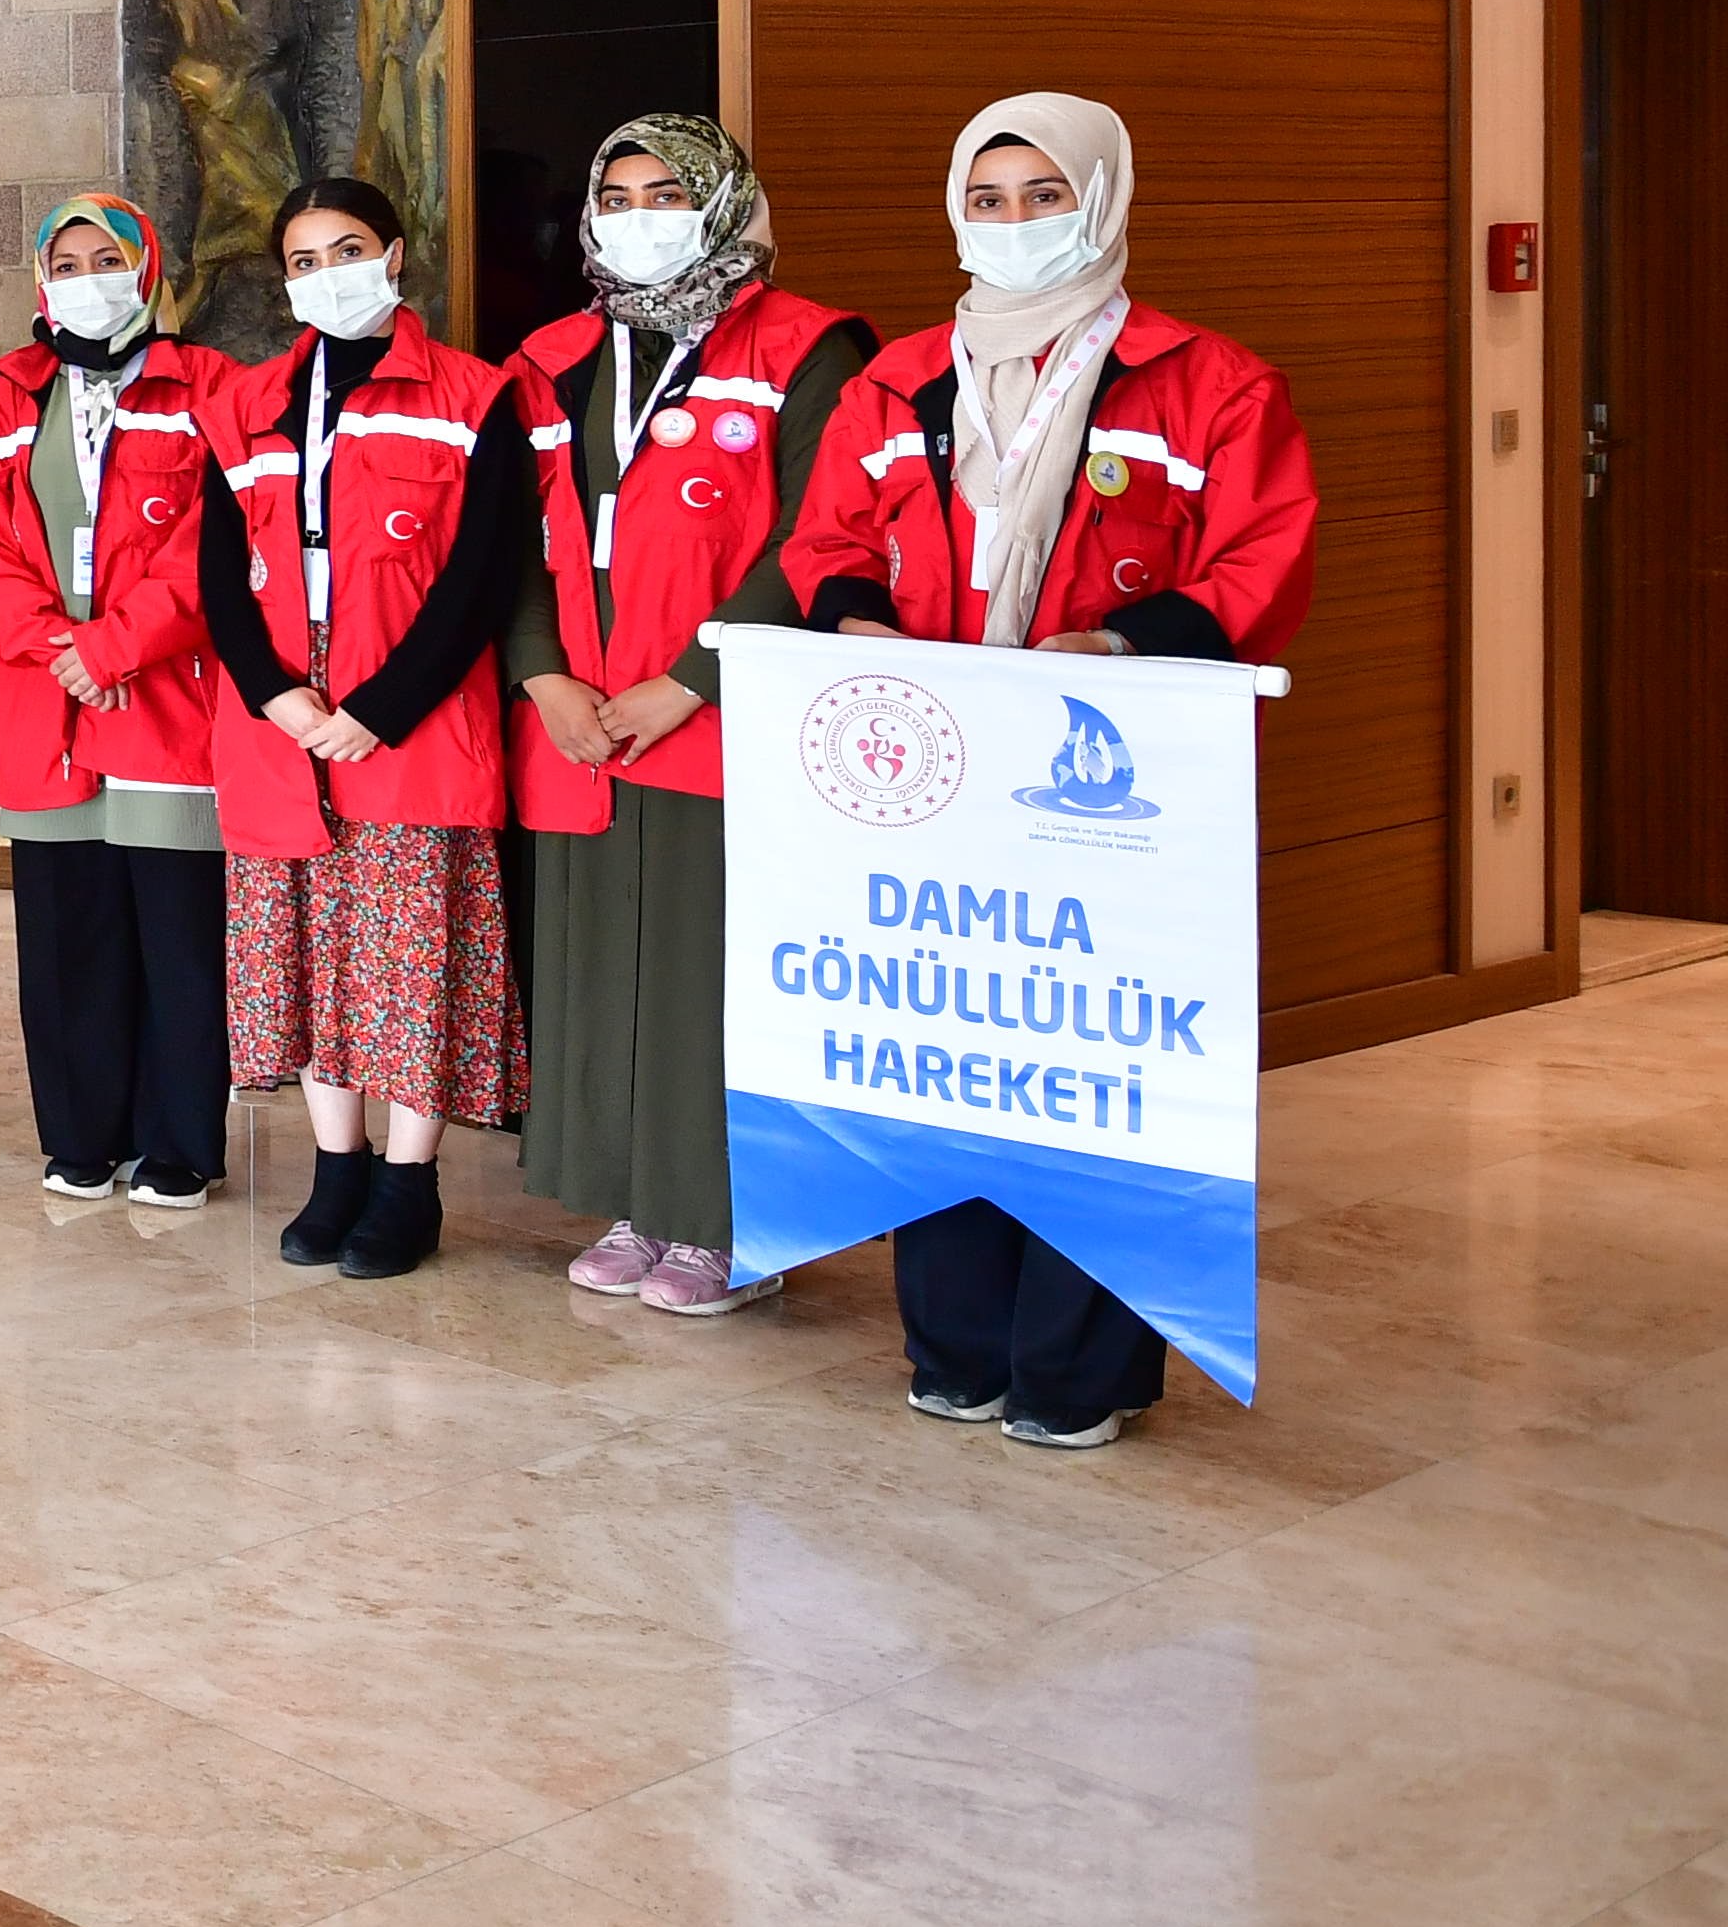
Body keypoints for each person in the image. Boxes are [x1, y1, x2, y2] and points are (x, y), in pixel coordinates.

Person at [793, 93, 1317, 1450]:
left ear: (1102, 200)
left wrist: (1124, 640)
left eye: (1044, 196)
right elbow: (828, 537)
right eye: (989, 198)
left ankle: (1077, 1371)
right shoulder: (896, 378)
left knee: (1095, 1065)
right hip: (938, 770)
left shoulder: (1211, 381)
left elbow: (1262, 556)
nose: (1014, 223)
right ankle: (957, 1345)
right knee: (947, 1047)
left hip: (1115, 782)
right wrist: (853, 617)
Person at [507, 120, 872, 1314]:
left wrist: (689, 680)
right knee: (601, 970)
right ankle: (631, 1197)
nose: (639, 215)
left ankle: (719, 1221)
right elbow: (511, 533)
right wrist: (543, 674)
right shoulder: (553, 356)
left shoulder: (808, 345)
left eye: (667, 192)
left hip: (716, 710)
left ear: (722, 202)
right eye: (616, 195)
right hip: (582, 722)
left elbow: (817, 536)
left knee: (707, 975)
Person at [196, 180, 535, 1280]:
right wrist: (274, 693)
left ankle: (408, 1184)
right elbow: (218, 573)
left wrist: (378, 709)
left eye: (346, 250)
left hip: (411, 710)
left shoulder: (475, 395)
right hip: (282, 715)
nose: (326, 275)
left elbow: (483, 577)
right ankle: (335, 1168)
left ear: (393, 256)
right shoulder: (244, 402)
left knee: (406, 959)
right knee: (303, 951)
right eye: (303, 261)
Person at [0, 193, 241, 1203]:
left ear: (146, 268)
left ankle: (178, 1141)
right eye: (65, 266)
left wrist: (114, 646)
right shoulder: (4, 396)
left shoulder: (211, 388)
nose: (84, 281)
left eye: (105, 260)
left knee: (177, 938)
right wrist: (53, 646)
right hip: (46, 702)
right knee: (67, 935)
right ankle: (80, 1133)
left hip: (167, 701)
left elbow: (216, 544)